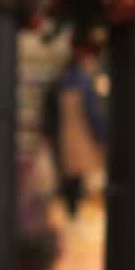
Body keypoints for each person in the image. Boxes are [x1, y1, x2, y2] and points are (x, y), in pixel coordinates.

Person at [41, 51, 107, 219]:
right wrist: (100, 136)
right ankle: (72, 211)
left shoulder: (59, 82)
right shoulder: (84, 83)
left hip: (63, 135)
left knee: (67, 173)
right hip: (76, 134)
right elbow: (93, 113)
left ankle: (70, 210)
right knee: (75, 175)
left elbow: (48, 113)